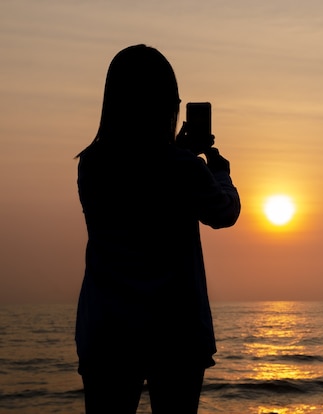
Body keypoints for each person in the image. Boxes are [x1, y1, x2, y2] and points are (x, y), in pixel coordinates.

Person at [75, 44, 240, 414]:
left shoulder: (92, 165)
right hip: (175, 330)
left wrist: (179, 151)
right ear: (168, 105)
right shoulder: (183, 168)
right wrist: (220, 172)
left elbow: (139, 177)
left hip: (107, 330)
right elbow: (224, 212)